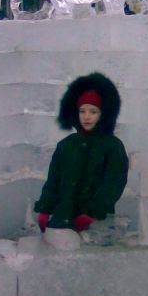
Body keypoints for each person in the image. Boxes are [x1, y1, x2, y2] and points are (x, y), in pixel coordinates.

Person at [34, 72, 129, 234]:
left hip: (96, 225)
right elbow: (53, 182)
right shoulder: (66, 145)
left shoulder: (112, 147)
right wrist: (45, 209)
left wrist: (93, 213)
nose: (87, 117)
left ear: (103, 114)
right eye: (82, 111)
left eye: (93, 111)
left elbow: (113, 184)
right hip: (62, 219)